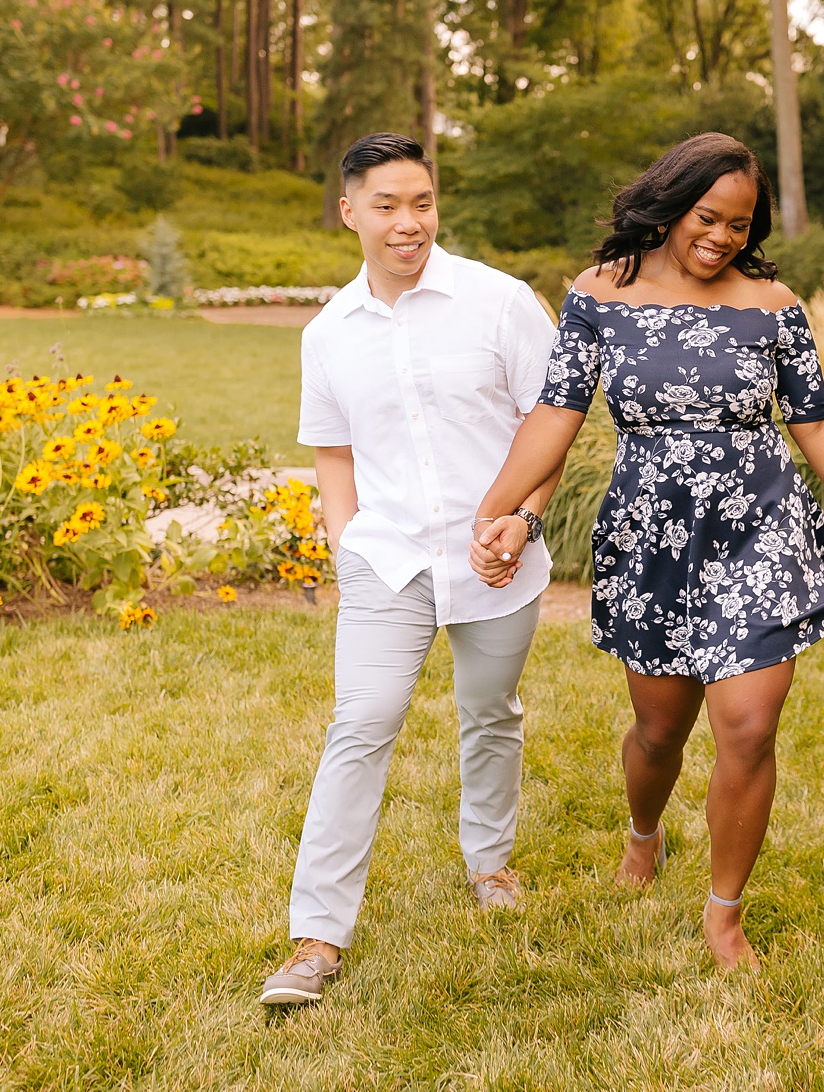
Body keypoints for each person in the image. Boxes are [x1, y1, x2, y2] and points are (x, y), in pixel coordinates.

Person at [468, 131, 824, 970]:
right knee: (659, 728)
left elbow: (815, 420)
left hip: (759, 523)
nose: (722, 237)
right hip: (653, 528)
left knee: (748, 724)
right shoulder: (602, 292)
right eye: (708, 217)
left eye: (740, 225)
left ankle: (723, 913)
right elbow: (557, 413)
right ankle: (644, 833)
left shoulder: (774, 304)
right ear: (672, 204)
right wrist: (497, 509)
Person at [260, 133, 563, 1006]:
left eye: (421, 203)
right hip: (386, 562)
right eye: (387, 205)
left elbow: (552, 425)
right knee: (361, 723)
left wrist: (524, 518)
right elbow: (332, 454)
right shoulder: (329, 333)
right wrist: (346, 544)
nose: (408, 223)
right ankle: (316, 938)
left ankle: (491, 862)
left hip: (499, 558)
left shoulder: (500, 303)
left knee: (489, 711)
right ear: (349, 211)